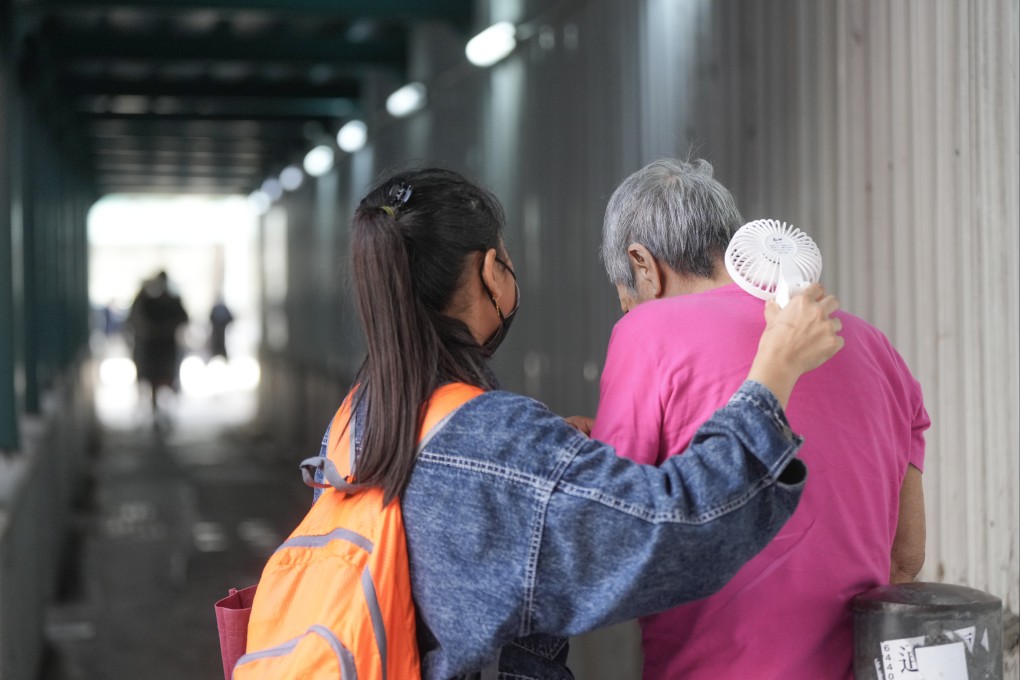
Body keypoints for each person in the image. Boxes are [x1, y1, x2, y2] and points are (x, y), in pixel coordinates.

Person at [311, 166, 843, 679]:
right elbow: (677, 532)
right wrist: (773, 373)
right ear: (492, 270)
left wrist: (551, 467)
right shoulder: (493, 440)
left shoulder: (357, 422)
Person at [591, 158, 929, 679]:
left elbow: (609, 532)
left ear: (643, 264)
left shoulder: (647, 331)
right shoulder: (873, 346)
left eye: (625, 299)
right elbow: (905, 557)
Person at [126, 270, 189, 411]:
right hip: (156, 348)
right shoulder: (152, 301)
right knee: (156, 377)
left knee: (162, 376)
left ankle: (161, 406)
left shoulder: (165, 301)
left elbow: (183, 319)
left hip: (161, 348)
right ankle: (157, 407)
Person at [208, 296, 234, 361]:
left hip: (222, 332)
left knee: (222, 344)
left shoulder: (221, 308)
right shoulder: (216, 308)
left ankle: (222, 357)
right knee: (216, 344)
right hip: (217, 332)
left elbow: (231, 318)